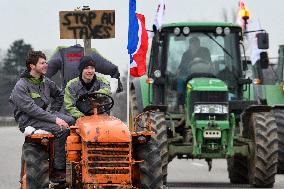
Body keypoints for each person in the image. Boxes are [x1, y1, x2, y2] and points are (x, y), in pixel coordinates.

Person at [9, 51, 75, 182]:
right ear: (32, 66)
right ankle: (58, 170)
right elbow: (31, 110)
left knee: (72, 122)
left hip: (43, 116)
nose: (46, 65)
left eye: (46, 62)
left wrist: (54, 111)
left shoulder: (45, 81)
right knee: (61, 129)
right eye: (42, 63)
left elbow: (59, 95)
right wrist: (55, 119)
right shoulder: (21, 86)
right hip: (28, 120)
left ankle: (72, 159)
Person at [46, 44, 120, 89]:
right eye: (86, 68)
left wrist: (38, 75)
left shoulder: (61, 52)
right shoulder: (91, 52)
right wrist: (115, 72)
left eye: (91, 68)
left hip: (69, 97)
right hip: (86, 98)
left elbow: (47, 69)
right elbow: (105, 65)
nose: (89, 70)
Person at [64, 56, 111, 120]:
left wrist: (97, 94)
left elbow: (107, 90)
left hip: (100, 115)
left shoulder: (102, 81)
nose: (90, 71)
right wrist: (82, 117)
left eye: (92, 68)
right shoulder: (71, 85)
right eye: (86, 68)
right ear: (81, 70)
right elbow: (69, 107)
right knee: (70, 121)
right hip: (80, 118)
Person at [176, 37, 212, 112]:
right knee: (180, 81)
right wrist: (190, 63)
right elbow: (181, 66)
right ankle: (180, 105)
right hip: (188, 75)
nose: (195, 46)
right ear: (190, 45)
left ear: (199, 44)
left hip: (204, 74)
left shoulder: (205, 51)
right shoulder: (186, 54)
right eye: (193, 44)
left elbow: (209, 62)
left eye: (196, 44)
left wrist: (201, 60)